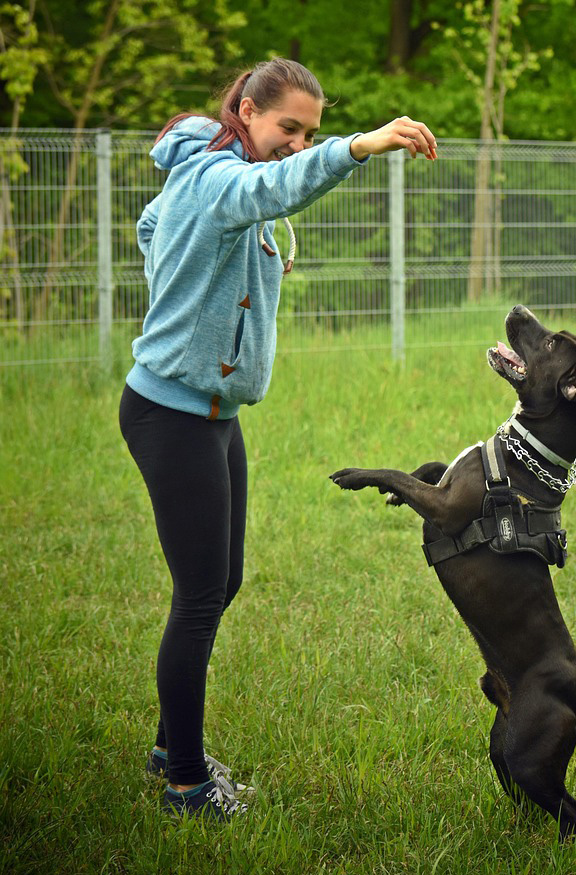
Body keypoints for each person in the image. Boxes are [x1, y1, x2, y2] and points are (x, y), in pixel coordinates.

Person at [119, 57, 437, 821]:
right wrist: (358, 147)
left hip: (214, 416)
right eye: (287, 127)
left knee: (221, 583)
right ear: (248, 109)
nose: (296, 144)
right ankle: (188, 784)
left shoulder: (208, 179)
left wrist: (177, 282)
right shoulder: (221, 180)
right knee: (199, 599)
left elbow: (151, 225)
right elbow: (266, 191)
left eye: (311, 134)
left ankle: (173, 745)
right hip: (171, 414)